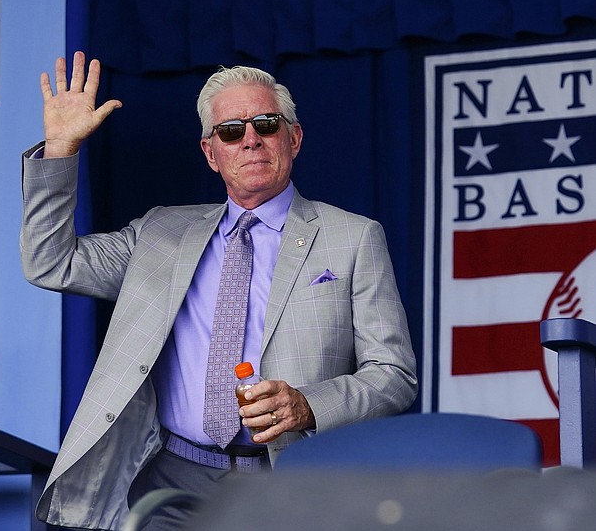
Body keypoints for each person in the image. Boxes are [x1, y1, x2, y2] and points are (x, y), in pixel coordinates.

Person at [21, 51, 418, 530]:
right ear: (211, 153)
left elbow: (394, 375)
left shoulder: (352, 238)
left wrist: (309, 404)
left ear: (294, 138)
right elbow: (50, 262)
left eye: (266, 124)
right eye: (231, 131)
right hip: (171, 479)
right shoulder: (160, 234)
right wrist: (60, 151)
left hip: (292, 481)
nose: (250, 140)